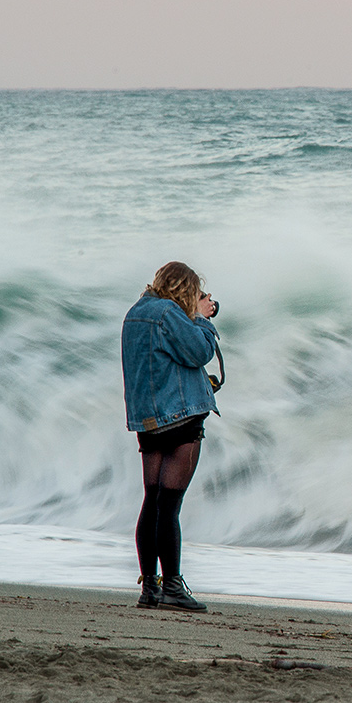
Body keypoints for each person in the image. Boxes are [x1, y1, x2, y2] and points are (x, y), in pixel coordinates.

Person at [121, 260, 220, 611]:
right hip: (180, 417)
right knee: (169, 505)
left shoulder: (136, 313)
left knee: (152, 501)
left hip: (147, 420)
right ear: (185, 290)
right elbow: (199, 352)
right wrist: (201, 318)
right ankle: (174, 587)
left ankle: (150, 587)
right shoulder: (169, 313)